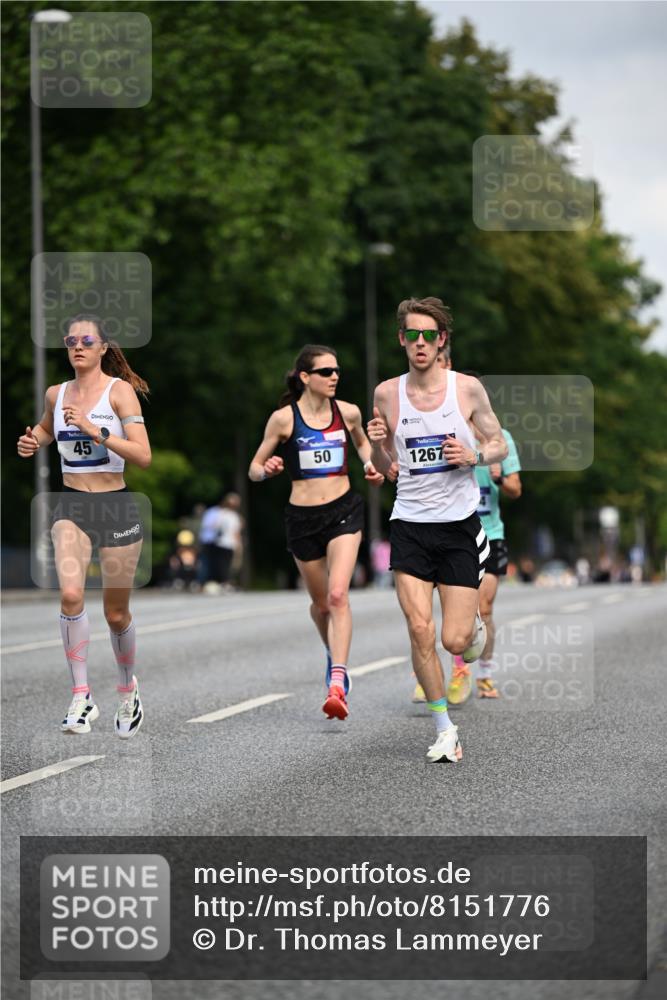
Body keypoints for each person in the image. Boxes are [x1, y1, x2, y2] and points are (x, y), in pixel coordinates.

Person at [367, 297, 507, 762]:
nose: (420, 343)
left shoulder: (465, 389)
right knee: (420, 629)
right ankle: (444, 726)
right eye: (412, 335)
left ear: (442, 340)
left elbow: (498, 444)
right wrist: (378, 448)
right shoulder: (387, 393)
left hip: (459, 527)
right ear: (401, 340)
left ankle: (475, 632)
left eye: (429, 335)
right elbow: (386, 468)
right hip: (408, 523)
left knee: (454, 640)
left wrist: (473, 457)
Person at [17, 314, 151, 737]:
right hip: (71, 503)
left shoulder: (120, 393)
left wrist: (97, 432)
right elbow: (45, 428)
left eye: (87, 340)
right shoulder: (56, 394)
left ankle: (127, 689)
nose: (78, 346)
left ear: (103, 348)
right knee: (72, 593)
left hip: (116, 505)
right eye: (71, 340)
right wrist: (33, 441)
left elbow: (143, 455)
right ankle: (81, 695)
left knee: (115, 612)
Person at [249, 344, 384, 720]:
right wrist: (269, 469)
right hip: (302, 518)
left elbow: (361, 443)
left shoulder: (349, 412)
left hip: (343, 511)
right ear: (305, 377)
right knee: (322, 604)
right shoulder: (283, 420)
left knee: (339, 595)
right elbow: (253, 469)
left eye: (337, 371)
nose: (334, 377)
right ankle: (333, 655)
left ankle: (338, 682)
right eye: (325, 372)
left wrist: (371, 464)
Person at [445, 371, 522, 704]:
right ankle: (458, 669)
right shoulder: (449, 435)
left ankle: (486, 674)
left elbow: (517, 489)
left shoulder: (500, 439)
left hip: (491, 534)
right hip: (456, 532)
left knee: (484, 607)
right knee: (456, 610)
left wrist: (500, 476)